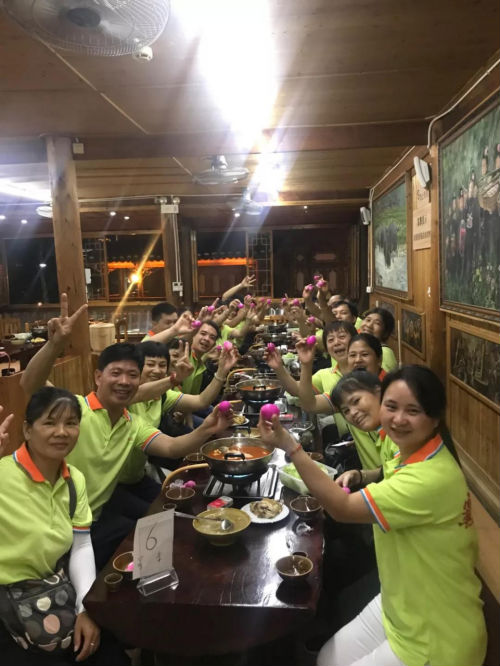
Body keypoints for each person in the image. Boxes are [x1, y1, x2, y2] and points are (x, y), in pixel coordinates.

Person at [258, 365, 487, 666]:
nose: (398, 419)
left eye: (413, 411)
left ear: (435, 417)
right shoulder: (405, 455)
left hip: (436, 635)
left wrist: (292, 447)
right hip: (400, 602)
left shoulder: (429, 478)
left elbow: (341, 508)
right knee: (326, 658)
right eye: (392, 407)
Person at [20, 295, 233, 568]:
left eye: (132, 375)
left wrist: (207, 428)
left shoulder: (132, 424)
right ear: (98, 377)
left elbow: (171, 447)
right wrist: (54, 345)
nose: (124, 381)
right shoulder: (75, 411)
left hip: (94, 519)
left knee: (157, 535)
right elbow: (31, 384)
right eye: (116, 373)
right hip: (54, 524)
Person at [0, 389, 128, 665]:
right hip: (6, 609)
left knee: (111, 653)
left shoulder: (74, 480)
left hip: (53, 591)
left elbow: (81, 545)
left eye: (71, 423)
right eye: (49, 422)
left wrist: (85, 608)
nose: (61, 432)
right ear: (27, 429)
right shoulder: (3, 474)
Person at [359, 307, 397, 372]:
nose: (369, 325)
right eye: (368, 320)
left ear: (385, 332)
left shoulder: (385, 353)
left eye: (377, 323)